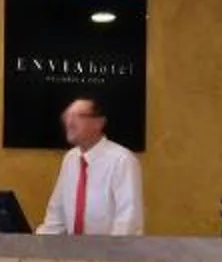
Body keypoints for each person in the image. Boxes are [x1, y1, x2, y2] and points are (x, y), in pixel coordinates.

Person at [36, 97, 143, 236]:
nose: (69, 122)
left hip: (109, 254)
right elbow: (56, 216)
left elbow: (128, 222)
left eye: (79, 116)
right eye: (67, 116)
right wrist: (36, 246)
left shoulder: (122, 160)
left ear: (99, 122)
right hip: (72, 253)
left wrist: (109, 255)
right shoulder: (70, 159)